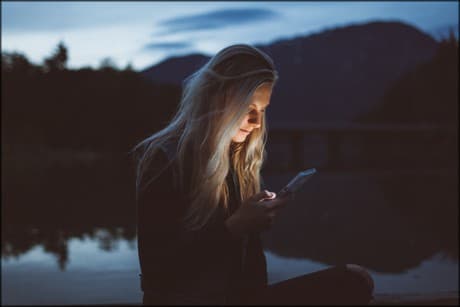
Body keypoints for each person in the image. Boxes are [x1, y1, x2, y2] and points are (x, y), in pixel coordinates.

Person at [130, 44, 374, 305]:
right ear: (216, 97)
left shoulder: (236, 160)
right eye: (249, 109)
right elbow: (159, 274)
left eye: (263, 110)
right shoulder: (165, 159)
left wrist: (252, 225)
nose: (257, 122)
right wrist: (235, 227)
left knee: (355, 279)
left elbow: (252, 278)